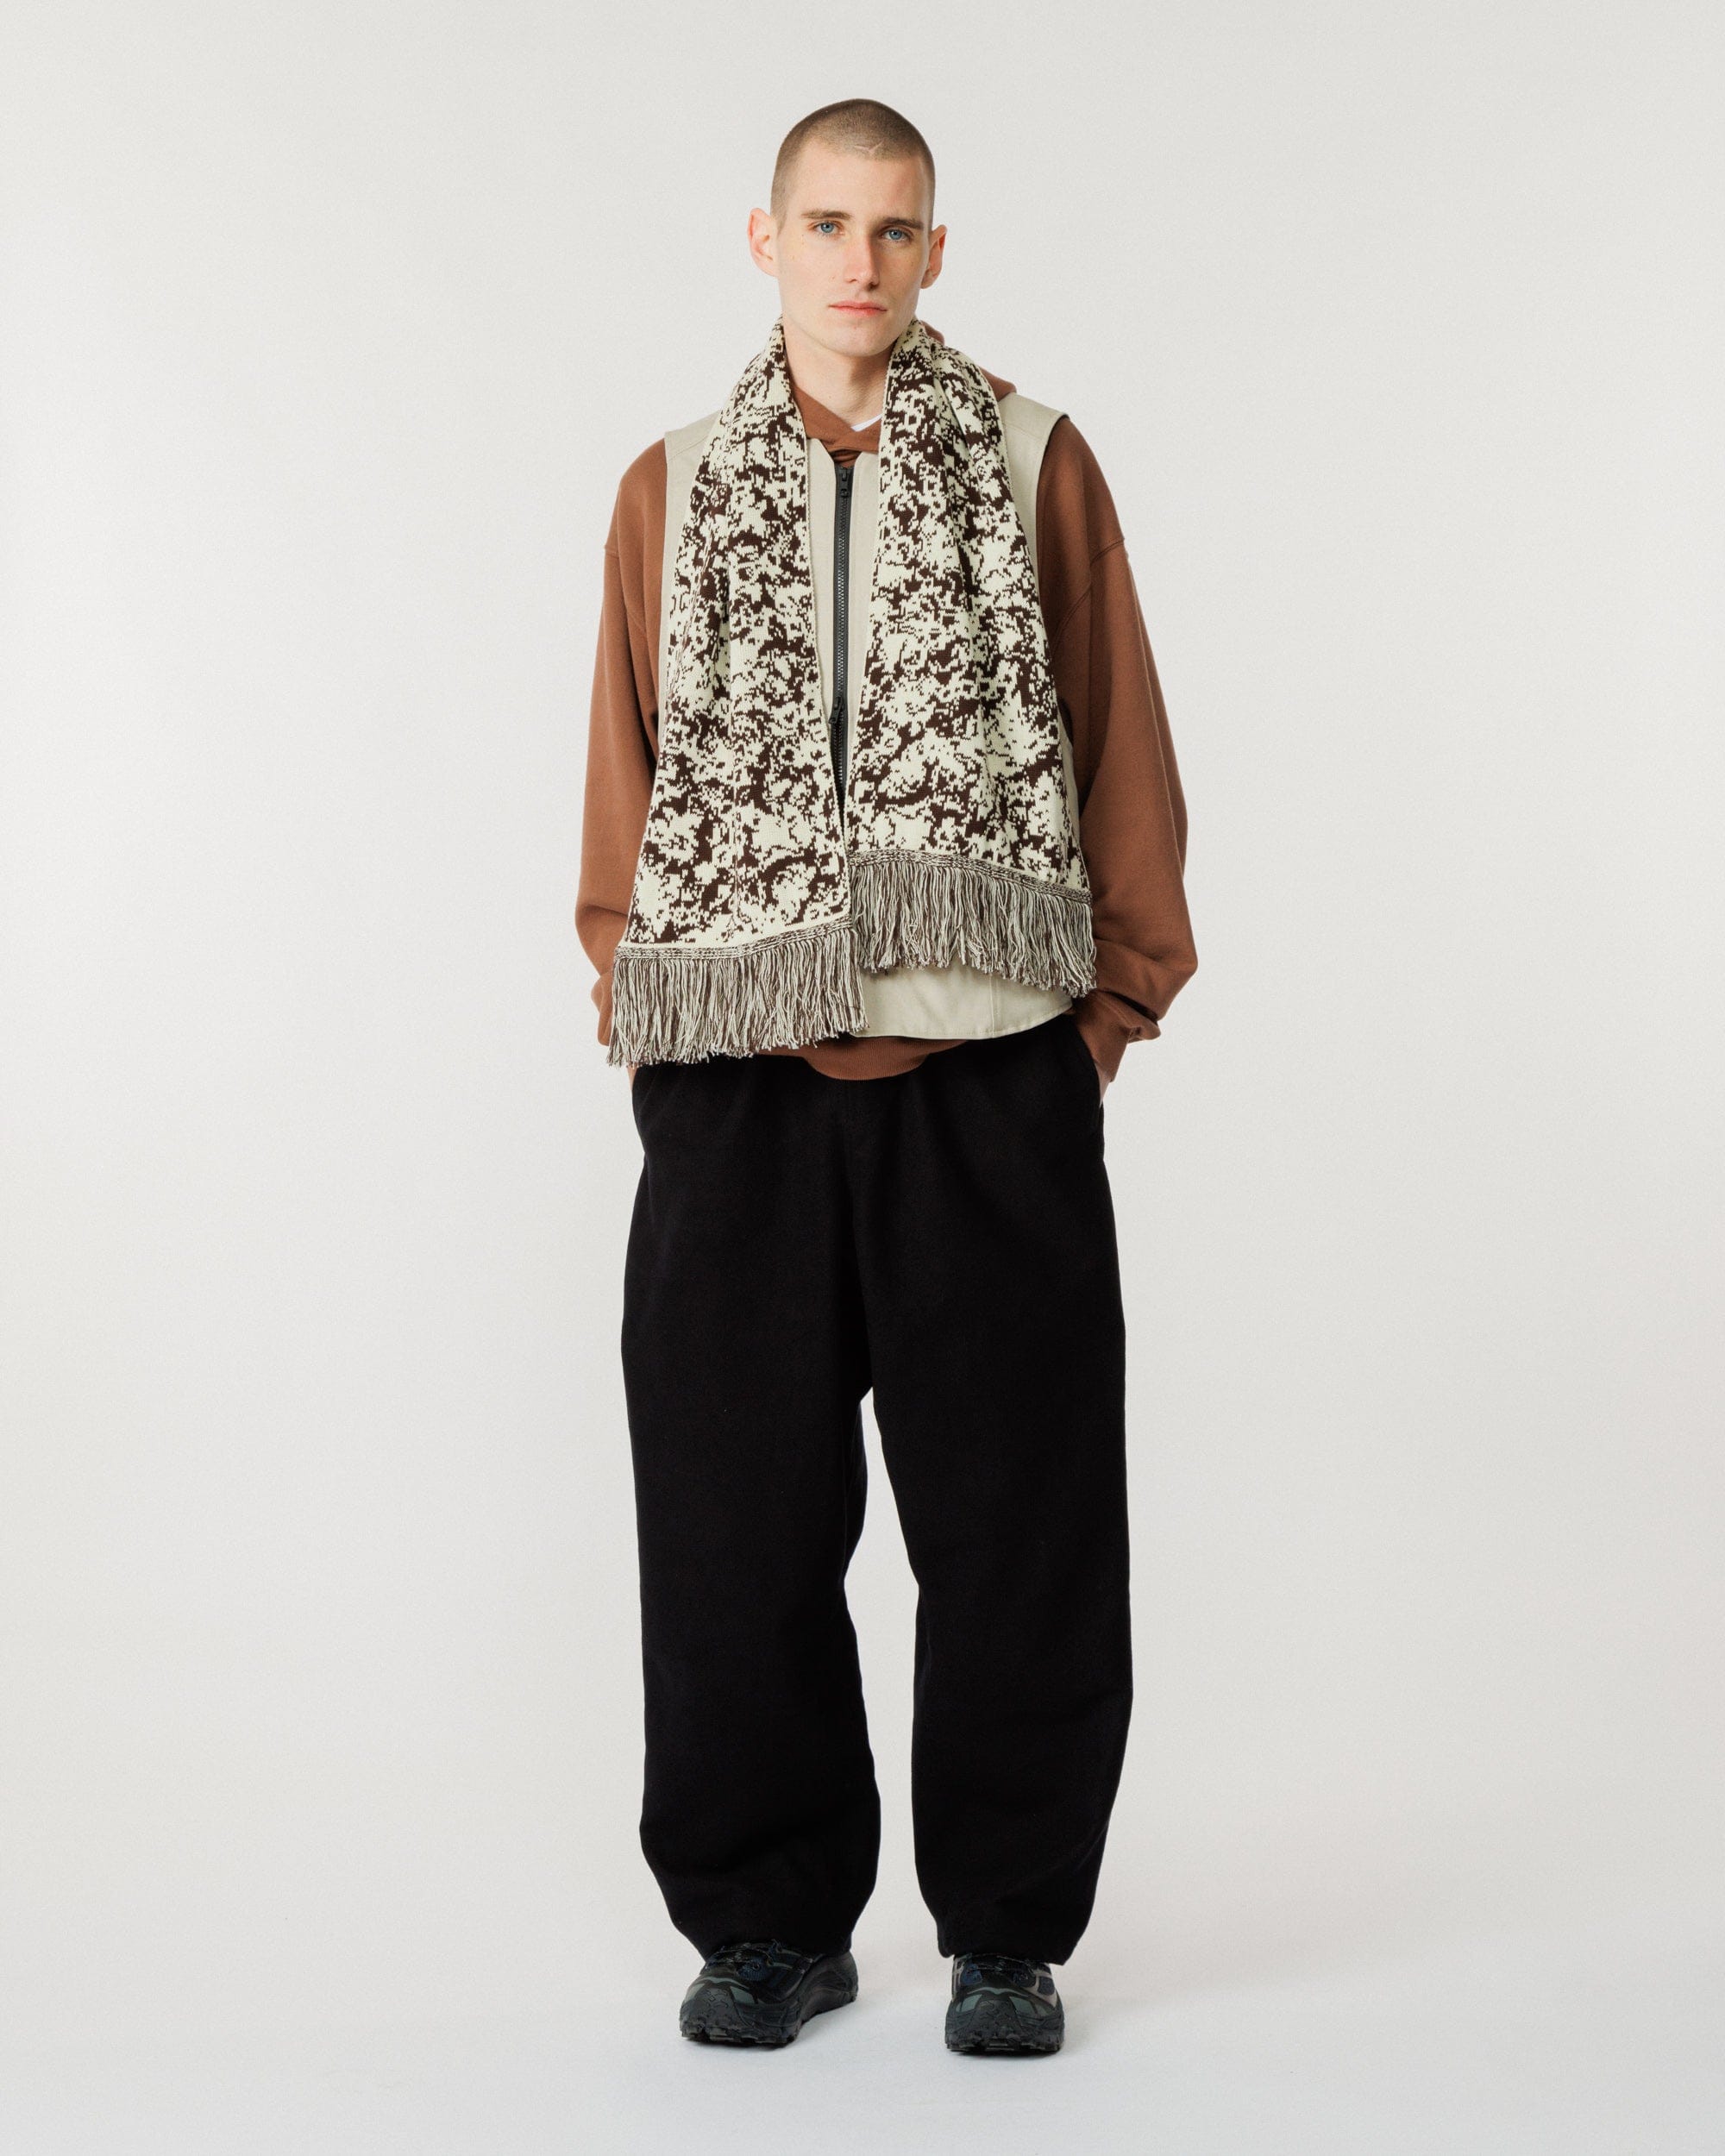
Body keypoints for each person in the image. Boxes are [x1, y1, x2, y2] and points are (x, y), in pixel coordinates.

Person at [575, 97, 1196, 2056]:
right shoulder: (675, 484)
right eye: (829, 224)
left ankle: (1008, 1930)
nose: (863, 261)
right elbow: (625, 761)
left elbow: (1117, 736)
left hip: (988, 1073)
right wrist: (646, 1008)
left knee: (1018, 1520)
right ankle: (769, 1923)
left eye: (898, 229)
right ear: (765, 240)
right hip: (737, 1084)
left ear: (937, 251)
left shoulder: (1031, 458)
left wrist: (1097, 1022)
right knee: (731, 1522)